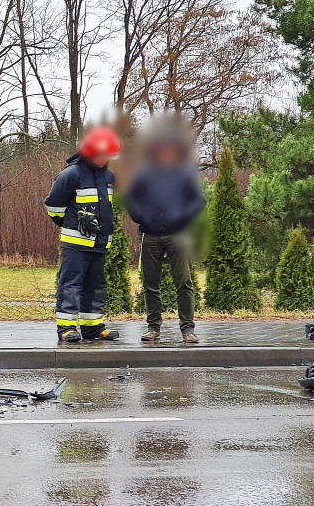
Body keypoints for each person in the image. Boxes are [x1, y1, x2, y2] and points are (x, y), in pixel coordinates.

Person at [125, 120, 206, 344]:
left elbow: (199, 201)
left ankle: (188, 330)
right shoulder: (144, 172)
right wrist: (142, 217)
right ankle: (153, 328)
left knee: (184, 284)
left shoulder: (184, 173)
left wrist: (182, 217)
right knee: (151, 285)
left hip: (178, 236)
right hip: (150, 236)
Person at [44, 126, 122, 343]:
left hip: (100, 243)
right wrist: (75, 220)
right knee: (71, 285)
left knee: (96, 286)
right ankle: (66, 328)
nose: (103, 159)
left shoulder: (109, 177)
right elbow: (53, 207)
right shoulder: (70, 175)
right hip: (75, 243)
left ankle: (93, 327)